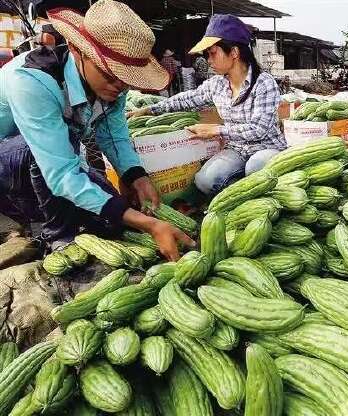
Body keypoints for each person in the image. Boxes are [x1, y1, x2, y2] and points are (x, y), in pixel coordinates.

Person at [0, 0, 193, 260]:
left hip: (56, 158)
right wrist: (149, 224)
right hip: (10, 161)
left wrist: (136, 176)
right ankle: (58, 237)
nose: (119, 85)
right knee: (71, 164)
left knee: (111, 220)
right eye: (110, 74)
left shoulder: (114, 87)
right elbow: (61, 173)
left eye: (126, 78)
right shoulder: (31, 81)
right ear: (77, 50)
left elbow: (114, 136)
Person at [128, 14, 286, 196]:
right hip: (237, 149)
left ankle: (263, 193)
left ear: (234, 52)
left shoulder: (264, 83)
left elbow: (259, 129)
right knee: (204, 181)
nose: (209, 60)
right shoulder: (217, 84)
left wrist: (217, 130)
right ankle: (241, 187)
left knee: (256, 167)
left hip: (266, 148)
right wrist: (150, 109)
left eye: (212, 53)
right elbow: (188, 98)